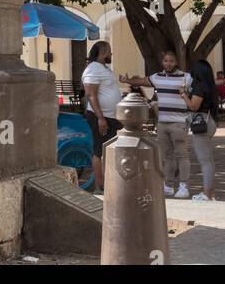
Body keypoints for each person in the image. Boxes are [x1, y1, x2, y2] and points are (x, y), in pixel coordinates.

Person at [122, 50, 191, 198]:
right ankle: (168, 185)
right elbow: (142, 81)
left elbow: (201, 84)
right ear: (162, 62)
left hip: (179, 123)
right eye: (166, 61)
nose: (168, 63)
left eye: (171, 61)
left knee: (182, 155)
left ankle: (184, 186)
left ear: (176, 62)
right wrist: (128, 81)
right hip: (163, 123)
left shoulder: (186, 77)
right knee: (167, 156)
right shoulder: (157, 77)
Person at [81, 41, 122, 193]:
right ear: (104, 52)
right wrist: (100, 118)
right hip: (101, 117)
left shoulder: (103, 69)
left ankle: (112, 183)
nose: (111, 54)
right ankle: (101, 186)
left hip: (112, 117)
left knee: (112, 150)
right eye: (109, 51)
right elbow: (91, 95)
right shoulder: (93, 69)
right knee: (99, 151)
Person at [182, 58, 220, 202]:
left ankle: (206, 194)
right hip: (210, 122)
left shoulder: (199, 86)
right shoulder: (210, 86)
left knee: (205, 161)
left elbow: (193, 106)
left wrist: (183, 94)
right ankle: (211, 192)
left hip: (201, 123)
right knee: (209, 160)